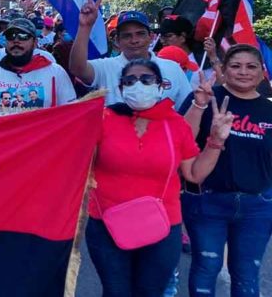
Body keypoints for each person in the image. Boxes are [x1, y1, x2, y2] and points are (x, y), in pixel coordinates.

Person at [86, 59, 232, 297]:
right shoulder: (101, 119)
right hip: (106, 225)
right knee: (115, 292)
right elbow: (76, 162)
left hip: (161, 227)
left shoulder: (175, 124)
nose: (138, 85)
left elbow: (194, 173)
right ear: (121, 89)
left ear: (160, 86)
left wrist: (216, 140)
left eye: (146, 79)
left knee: (150, 292)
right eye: (130, 81)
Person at [180, 44, 272, 297]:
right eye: (235, 65)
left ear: (262, 72)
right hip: (208, 201)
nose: (243, 72)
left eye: (251, 66)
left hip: (258, 205)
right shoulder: (206, 96)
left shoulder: (268, 109)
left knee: (246, 272)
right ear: (224, 69)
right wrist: (199, 106)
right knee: (206, 266)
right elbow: (180, 140)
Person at [69, 0, 192, 108]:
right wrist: (85, 26)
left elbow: (186, 109)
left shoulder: (173, 68)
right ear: (117, 41)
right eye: (127, 36)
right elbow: (77, 68)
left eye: (140, 34)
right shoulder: (106, 67)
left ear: (151, 37)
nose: (134, 40)